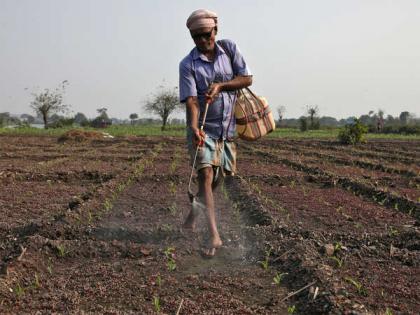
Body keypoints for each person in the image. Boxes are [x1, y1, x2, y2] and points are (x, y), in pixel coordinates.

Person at [179, 9, 252, 257]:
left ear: (215, 31)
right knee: (206, 176)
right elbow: (192, 101)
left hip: (227, 129)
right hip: (203, 130)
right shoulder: (187, 64)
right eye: (196, 37)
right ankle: (213, 235)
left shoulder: (229, 49)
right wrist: (193, 127)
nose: (201, 41)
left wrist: (221, 85)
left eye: (205, 35)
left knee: (218, 179)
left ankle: (191, 217)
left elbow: (247, 78)